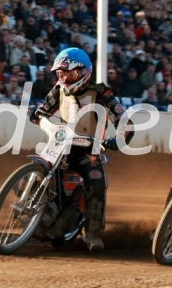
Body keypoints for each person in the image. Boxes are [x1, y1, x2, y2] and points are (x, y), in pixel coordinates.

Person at [27, 48, 133, 252]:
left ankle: (93, 234)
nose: (65, 78)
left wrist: (118, 140)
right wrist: (35, 113)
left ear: (84, 72)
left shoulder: (102, 93)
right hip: (61, 144)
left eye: (69, 74)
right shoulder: (59, 89)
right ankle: (35, 209)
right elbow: (44, 109)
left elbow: (125, 123)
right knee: (36, 168)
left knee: (96, 180)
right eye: (60, 74)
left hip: (89, 151)